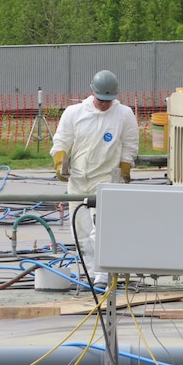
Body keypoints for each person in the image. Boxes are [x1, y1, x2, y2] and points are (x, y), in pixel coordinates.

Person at [50, 70, 138, 289]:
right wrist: (60, 161)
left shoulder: (124, 114)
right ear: (92, 92)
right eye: (101, 100)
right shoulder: (74, 113)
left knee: (101, 230)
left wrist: (125, 167)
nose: (105, 105)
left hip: (106, 180)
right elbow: (60, 142)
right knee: (80, 231)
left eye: (109, 101)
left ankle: (103, 274)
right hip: (79, 181)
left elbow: (129, 145)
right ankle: (90, 274)